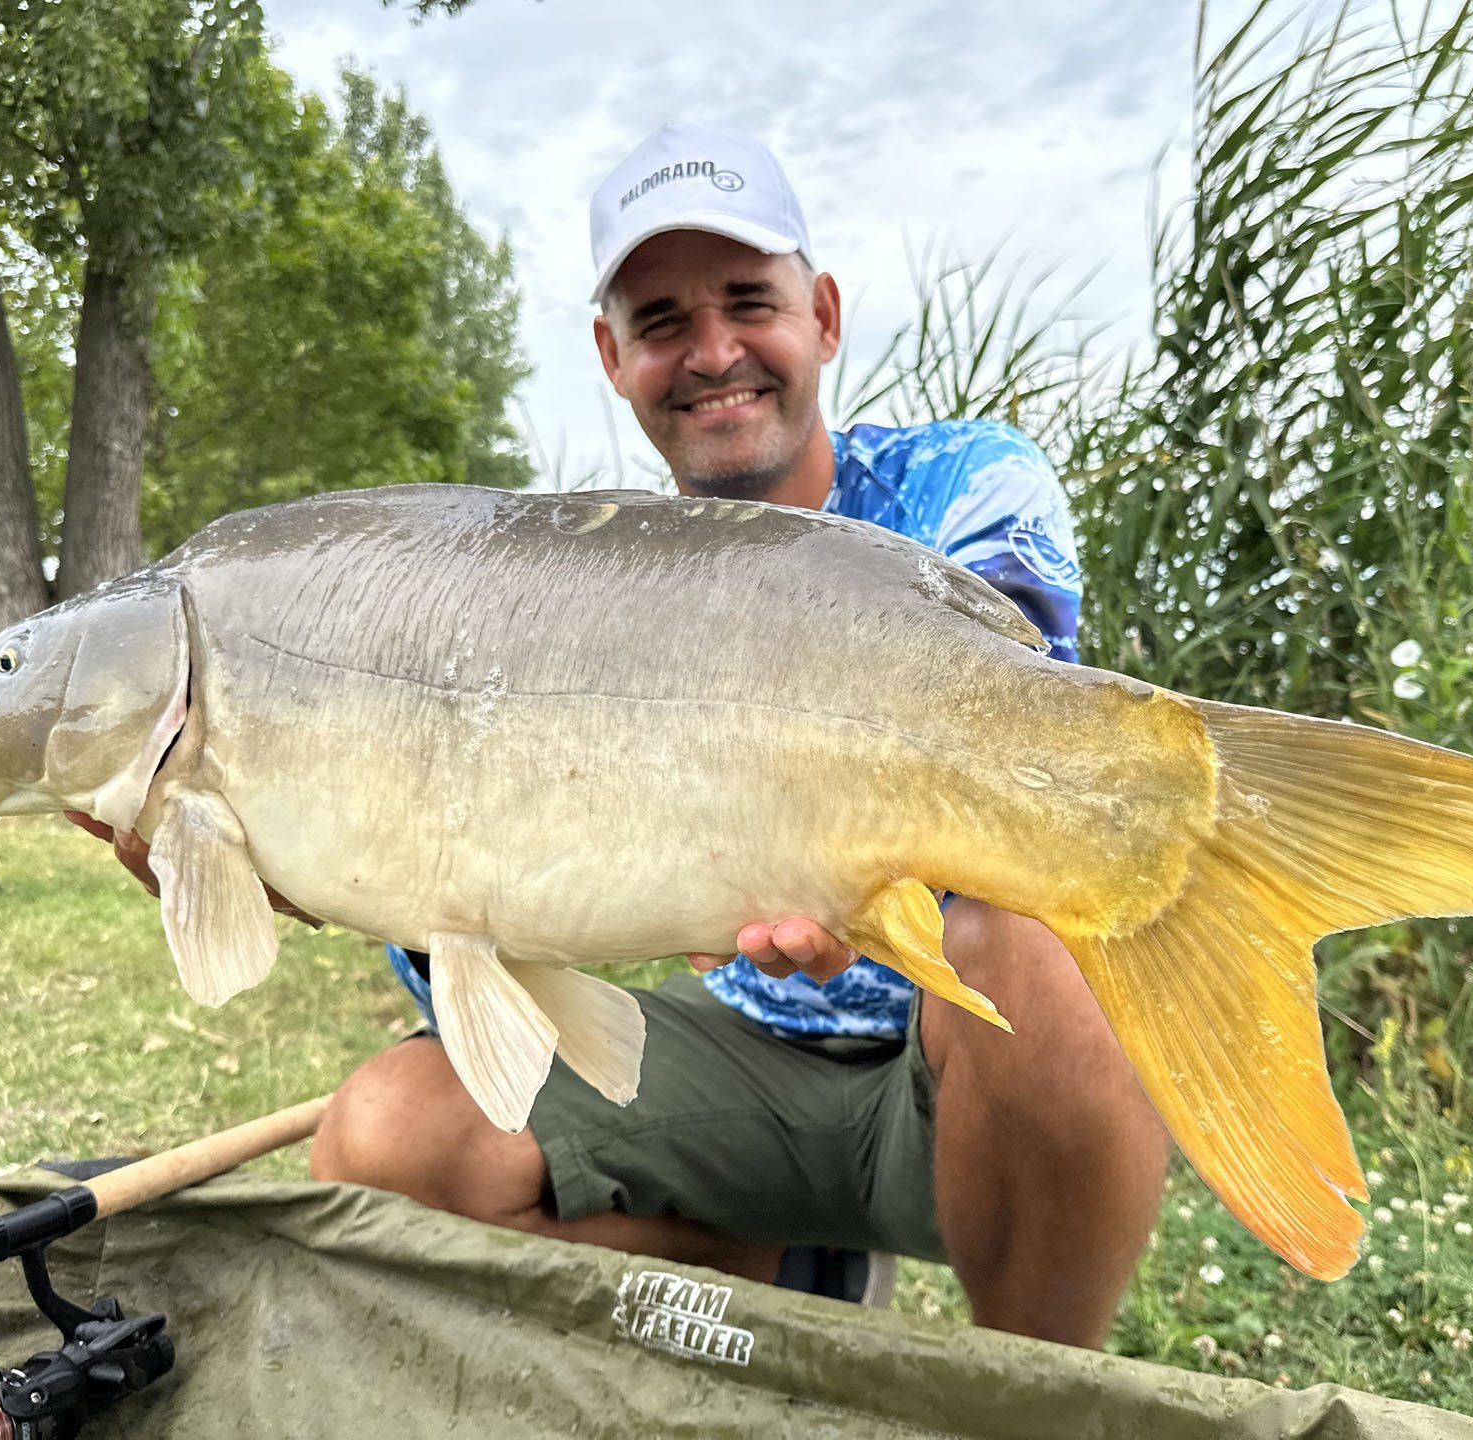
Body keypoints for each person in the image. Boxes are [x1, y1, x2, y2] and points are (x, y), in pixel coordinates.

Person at [82, 123, 1171, 1350]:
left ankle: (1034, 1394)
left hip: (966, 1074)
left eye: (749, 302)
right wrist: (311, 864)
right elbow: (486, 906)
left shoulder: (966, 484)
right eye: (661, 322)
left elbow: (1026, 751)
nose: (712, 354)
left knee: (1046, 933)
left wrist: (863, 868)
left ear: (821, 311)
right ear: (612, 355)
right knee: (386, 1139)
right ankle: (771, 1264)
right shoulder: (579, 587)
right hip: (746, 1059)